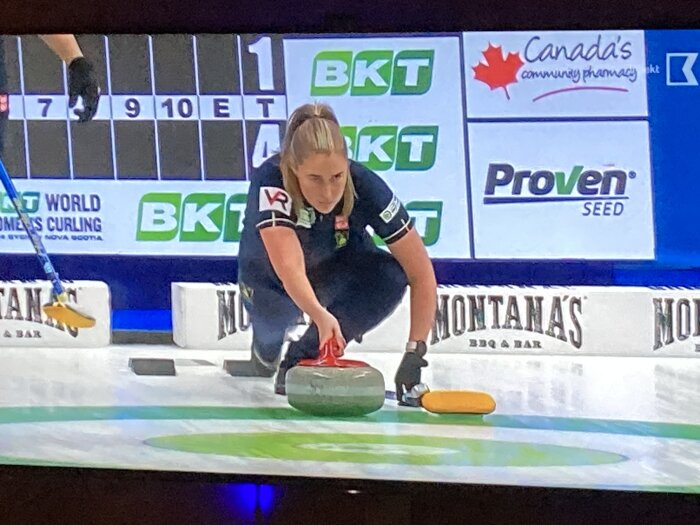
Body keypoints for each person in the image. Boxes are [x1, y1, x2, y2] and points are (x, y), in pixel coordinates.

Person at [236, 102, 438, 404]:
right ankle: (265, 350)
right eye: (315, 179)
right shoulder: (271, 180)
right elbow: (290, 267)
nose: (328, 193)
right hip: (270, 279)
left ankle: (301, 356)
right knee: (270, 336)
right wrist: (319, 314)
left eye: (337, 178)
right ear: (293, 169)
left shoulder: (365, 185)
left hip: (335, 268)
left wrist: (415, 353)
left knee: (391, 275)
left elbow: (421, 274)